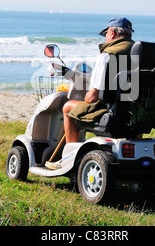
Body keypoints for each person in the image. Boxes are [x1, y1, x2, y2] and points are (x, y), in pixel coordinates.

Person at [45, 17, 136, 170]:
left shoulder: (108, 55)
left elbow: (93, 97)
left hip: (111, 112)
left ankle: (69, 159)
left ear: (112, 33)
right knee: (134, 114)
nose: (106, 37)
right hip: (137, 112)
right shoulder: (140, 53)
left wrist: (88, 94)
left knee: (68, 107)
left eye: (106, 33)